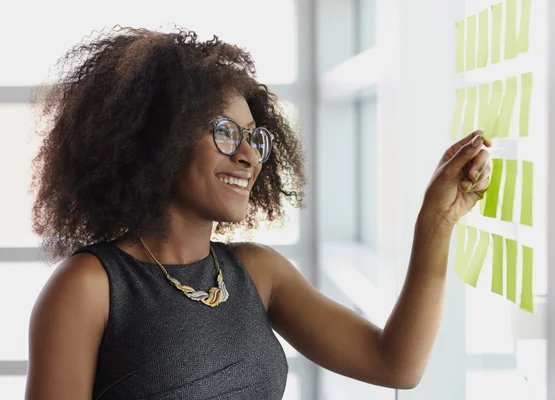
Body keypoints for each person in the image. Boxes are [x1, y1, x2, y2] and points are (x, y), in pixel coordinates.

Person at [25, 27, 491, 400]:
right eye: (226, 132)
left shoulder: (257, 272)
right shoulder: (89, 287)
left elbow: (396, 365)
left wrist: (437, 222)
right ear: (159, 139)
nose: (249, 156)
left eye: (256, 137)